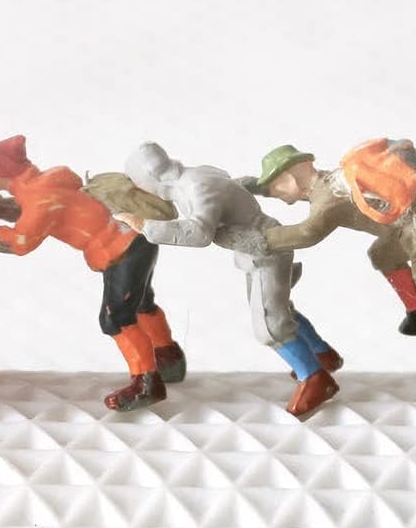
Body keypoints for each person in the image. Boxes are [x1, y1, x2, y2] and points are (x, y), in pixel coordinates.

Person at [0, 135, 184, 412]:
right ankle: (168, 358)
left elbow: (20, 242)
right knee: (141, 304)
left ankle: (147, 383)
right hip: (136, 241)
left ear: (3, 171)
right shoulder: (45, 185)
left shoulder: (40, 199)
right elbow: (41, 216)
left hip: (121, 251)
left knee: (115, 318)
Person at [250, 144, 416, 411]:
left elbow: (308, 233)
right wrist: (251, 187)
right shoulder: (329, 183)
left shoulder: (328, 197)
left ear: (290, 178)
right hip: (401, 230)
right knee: (383, 253)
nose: (276, 194)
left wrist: (259, 239)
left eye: (275, 186)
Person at [119, 142, 342, 419]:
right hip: (258, 248)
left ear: (150, 179)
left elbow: (200, 232)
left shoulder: (196, 187)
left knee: (269, 325)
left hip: (265, 249)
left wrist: (144, 225)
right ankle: (321, 353)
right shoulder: (197, 174)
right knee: (280, 308)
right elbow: (234, 187)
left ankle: (315, 379)